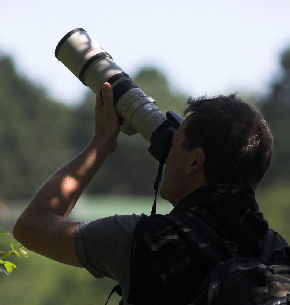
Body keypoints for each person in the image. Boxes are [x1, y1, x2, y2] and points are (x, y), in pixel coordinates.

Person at [13, 82, 284, 305]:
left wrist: (102, 142)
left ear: (194, 161)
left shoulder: (147, 240)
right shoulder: (279, 254)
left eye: (175, 145)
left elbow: (32, 226)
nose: (166, 157)